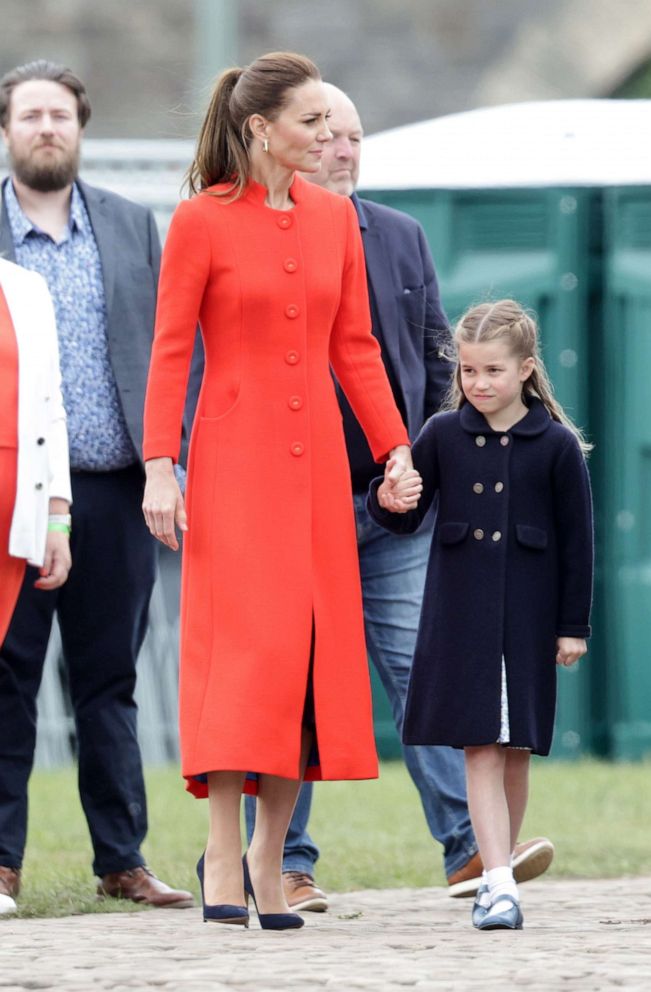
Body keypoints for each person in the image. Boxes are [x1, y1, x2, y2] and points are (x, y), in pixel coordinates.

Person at [253, 84, 554, 914]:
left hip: (396, 505)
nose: (342, 149)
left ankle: (468, 847)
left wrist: (418, 461)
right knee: (292, 686)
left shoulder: (400, 236)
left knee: (432, 665)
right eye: (325, 133)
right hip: (289, 509)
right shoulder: (254, 236)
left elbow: (432, 365)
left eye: (354, 136)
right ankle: (284, 865)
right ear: (286, 142)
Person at [141, 52, 412, 930]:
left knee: (305, 665)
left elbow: (356, 349)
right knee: (242, 662)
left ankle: (270, 856)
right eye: (313, 124)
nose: (331, 138)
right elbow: (170, 351)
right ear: (262, 129)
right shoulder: (201, 220)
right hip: (231, 473)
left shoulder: (337, 222)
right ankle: (223, 850)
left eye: (334, 126)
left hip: (315, 478)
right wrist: (159, 465)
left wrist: (395, 448)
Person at [0, 60, 193, 911]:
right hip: (11, 490)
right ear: (7, 130)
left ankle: (122, 857)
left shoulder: (128, 225)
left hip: (113, 491)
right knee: (6, 676)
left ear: (81, 127)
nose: (47, 127)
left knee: (108, 678)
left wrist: (167, 461)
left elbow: (165, 352)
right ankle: (0, 863)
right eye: (31, 114)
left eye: (61, 115)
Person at [369, 298, 594, 930]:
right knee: (480, 749)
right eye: (469, 372)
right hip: (461, 625)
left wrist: (572, 626)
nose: (479, 384)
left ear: (525, 368)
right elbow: (406, 515)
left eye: (492, 371)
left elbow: (580, 544)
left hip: (525, 626)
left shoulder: (556, 447)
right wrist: (388, 495)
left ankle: (498, 875)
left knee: (515, 749)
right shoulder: (441, 435)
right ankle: (498, 882)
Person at [0, 256, 72, 913]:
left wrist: (57, 517)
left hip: (15, 514)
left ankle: (0, 862)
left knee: (11, 688)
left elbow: (49, 404)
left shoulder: (26, 287)